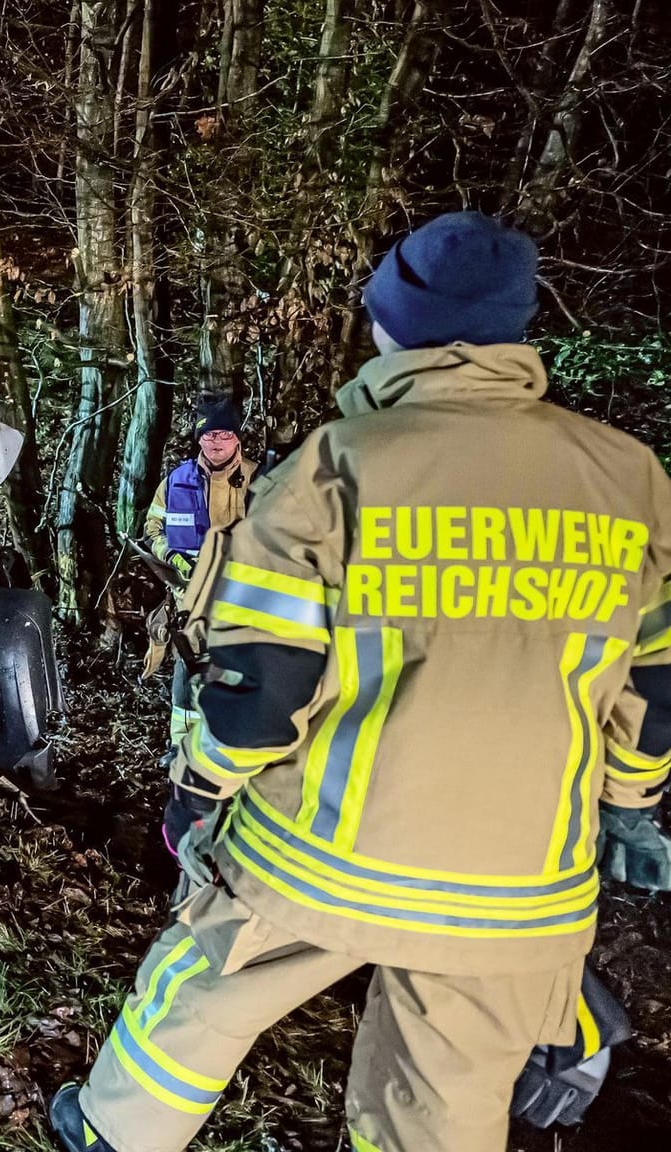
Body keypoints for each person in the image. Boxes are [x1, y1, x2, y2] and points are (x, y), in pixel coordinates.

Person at [50, 210, 671, 1152]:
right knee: (445, 1099)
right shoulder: (630, 480)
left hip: (323, 855)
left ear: (391, 323)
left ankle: (111, 1132)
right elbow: (655, 687)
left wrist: (197, 786)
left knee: (205, 990)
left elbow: (260, 691)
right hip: (521, 883)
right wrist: (631, 803)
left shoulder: (331, 470)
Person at [142, 397, 256, 749]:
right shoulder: (176, 481)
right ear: (199, 438)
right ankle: (181, 747)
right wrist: (171, 556)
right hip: (187, 597)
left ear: (237, 438)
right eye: (209, 434)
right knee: (187, 671)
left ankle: (233, 745)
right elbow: (152, 528)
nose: (216, 441)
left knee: (237, 671)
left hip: (242, 600)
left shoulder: (260, 479)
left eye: (224, 434)